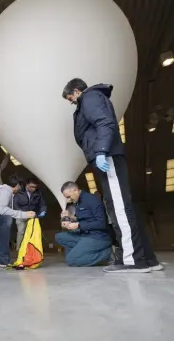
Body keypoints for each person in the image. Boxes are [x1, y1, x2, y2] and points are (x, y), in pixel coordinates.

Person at [62, 78, 161, 273]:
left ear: (76, 90)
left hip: (107, 157)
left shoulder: (90, 98)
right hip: (106, 155)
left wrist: (101, 151)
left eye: (70, 97)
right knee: (125, 207)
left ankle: (132, 260)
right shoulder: (92, 99)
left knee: (119, 208)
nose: (71, 101)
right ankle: (147, 258)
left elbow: (104, 123)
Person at [55, 182, 112, 266]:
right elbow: (84, 219)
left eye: (68, 197)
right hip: (84, 234)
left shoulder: (92, 199)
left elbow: (101, 223)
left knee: (71, 260)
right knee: (59, 237)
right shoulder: (77, 202)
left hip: (98, 237)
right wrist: (70, 217)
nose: (68, 200)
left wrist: (78, 225)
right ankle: (81, 253)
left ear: (75, 190)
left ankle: (109, 254)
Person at [13, 178, 47, 251]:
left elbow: (42, 204)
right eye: (31, 187)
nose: (33, 189)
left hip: (32, 215)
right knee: (21, 232)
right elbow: (15, 203)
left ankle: (33, 250)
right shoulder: (19, 192)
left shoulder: (38, 193)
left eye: (35, 187)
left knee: (33, 232)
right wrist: (19, 212)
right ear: (27, 185)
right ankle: (19, 249)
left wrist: (43, 211)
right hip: (21, 215)